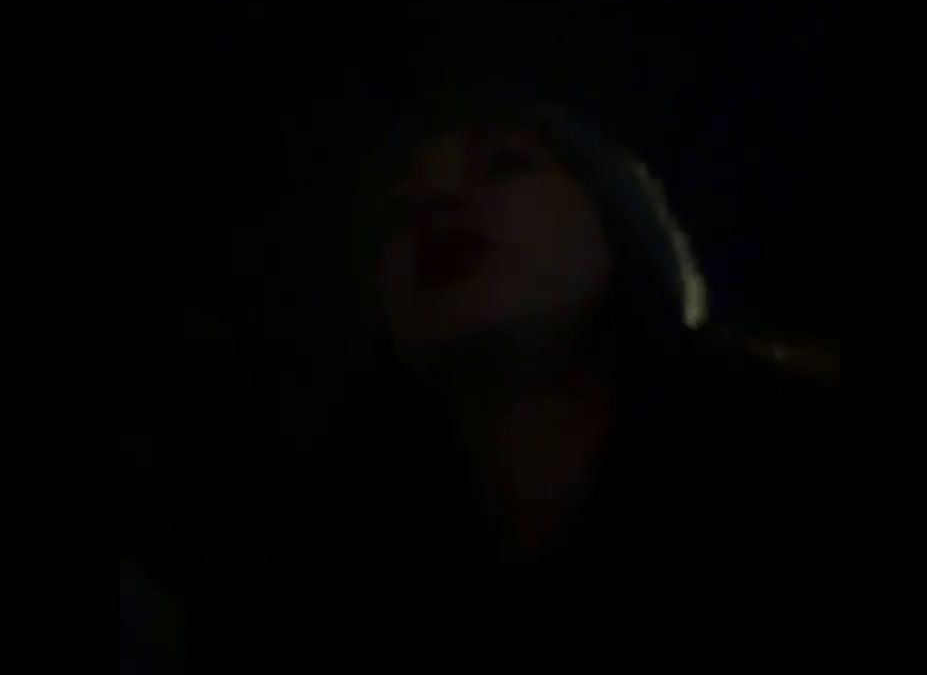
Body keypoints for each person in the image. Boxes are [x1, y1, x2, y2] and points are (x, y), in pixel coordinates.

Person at [187, 83, 842, 670]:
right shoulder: (328, 570)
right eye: (398, 213)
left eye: (504, 164)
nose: (433, 206)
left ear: (618, 226)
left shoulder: (796, 460)